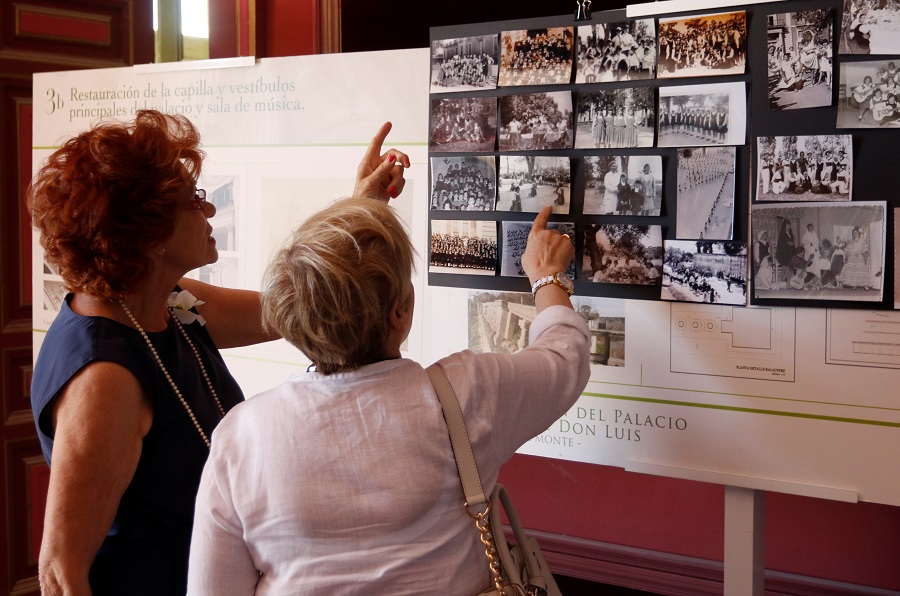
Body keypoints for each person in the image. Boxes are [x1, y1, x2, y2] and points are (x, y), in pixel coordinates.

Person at [27, 110, 409, 596]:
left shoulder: (159, 300)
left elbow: (297, 309)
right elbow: (60, 573)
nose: (209, 212)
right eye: (194, 201)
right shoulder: (105, 379)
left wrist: (364, 206)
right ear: (148, 232)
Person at [186, 199, 591, 593]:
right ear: (401, 311)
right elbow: (564, 355)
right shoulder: (466, 393)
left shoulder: (242, 435)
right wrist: (546, 276)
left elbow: (213, 587)